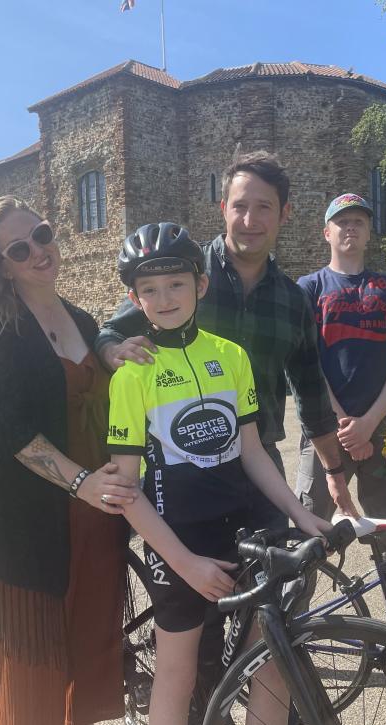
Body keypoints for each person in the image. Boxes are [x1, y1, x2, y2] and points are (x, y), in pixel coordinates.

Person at [104, 222, 332, 725]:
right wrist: (182, 563)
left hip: (247, 524)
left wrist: (301, 513)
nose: (164, 299)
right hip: (179, 535)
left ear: (200, 286)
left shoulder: (230, 356)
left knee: (268, 664)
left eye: (176, 285)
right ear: (134, 299)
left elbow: (251, 450)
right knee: (178, 673)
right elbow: (126, 491)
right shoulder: (132, 375)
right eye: (150, 290)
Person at [0, 196, 138, 725]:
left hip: (94, 516)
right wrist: (82, 484)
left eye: (42, 235)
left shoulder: (75, 317)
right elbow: (10, 433)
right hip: (20, 526)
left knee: (86, 646)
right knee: (30, 664)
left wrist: (110, 349)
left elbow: (92, 346)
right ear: (1, 265)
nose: (39, 252)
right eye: (19, 249)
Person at [96, 151, 355, 523]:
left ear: (285, 213)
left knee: (281, 572)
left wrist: (333, 472)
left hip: (259, 458)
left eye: (264, 207)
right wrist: (113, 353)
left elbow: (311, 392)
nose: (250, 220)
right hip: (183, 463)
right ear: (223, 208)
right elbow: (111, 332)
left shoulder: (293, 300)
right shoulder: (178, 274)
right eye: (240, 206)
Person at [295, 192, 386, 629]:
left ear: (369, 232)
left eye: (359, 222)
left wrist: (368, 424)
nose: (350, 228)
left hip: (383, 431)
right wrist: (343, 422)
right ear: (326, 232)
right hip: (324, 432)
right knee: (309, 529)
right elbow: (305, 364)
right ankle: (293, 628)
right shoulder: (308, 289)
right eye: (341, 221)